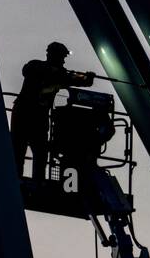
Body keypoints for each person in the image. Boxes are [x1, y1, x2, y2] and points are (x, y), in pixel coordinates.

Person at [12, 42, 94, 179]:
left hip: (39, 118)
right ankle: (16, 179)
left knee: (41, 153)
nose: (63, 61)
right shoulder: (35, 66)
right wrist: (53, 71)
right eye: (61, 57)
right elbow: (26, 70)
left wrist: (88, 78)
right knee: (18, 151)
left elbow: (80, 81)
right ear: (52, 55)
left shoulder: (61, 75)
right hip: (24, 115)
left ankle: (37, 182)